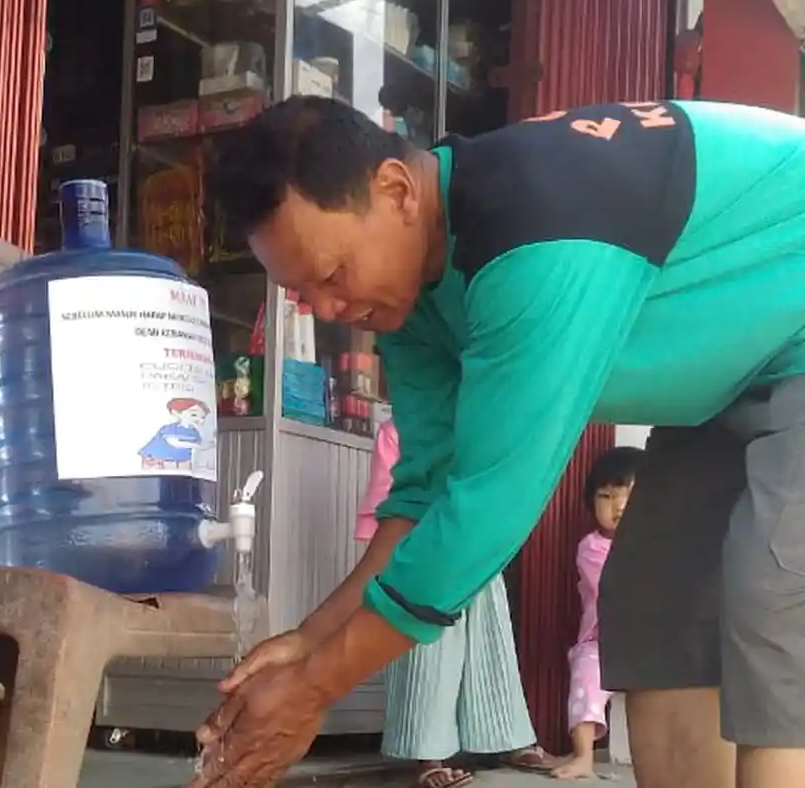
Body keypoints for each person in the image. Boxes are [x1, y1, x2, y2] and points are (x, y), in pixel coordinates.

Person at [187, 95, 805, 788]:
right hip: (734, 381)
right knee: (654, 610)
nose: (330, 309)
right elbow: (425, 494)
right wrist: (309, 642)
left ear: (395, 191)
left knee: (772, 597)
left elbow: (484, 514)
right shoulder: (409, 296)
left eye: (332, 276)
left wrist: (311, 690)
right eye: (303, 294)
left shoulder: (536, 226)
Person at [359, 419, 550, 788]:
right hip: (420, 543)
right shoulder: (397, 432)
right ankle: (427, 751)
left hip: (475, 537)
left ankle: (506, 737)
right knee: (427, 645)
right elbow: (387, 505)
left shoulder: (480, 423)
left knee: (491, 637)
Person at [553, 446, 645, 780]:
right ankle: (583, 756)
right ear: (591, 503)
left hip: (650, 641)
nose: (618, 506)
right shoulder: (591, 547)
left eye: (630, 496)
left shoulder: (660, 543)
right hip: (602, 641)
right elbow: (613, 588)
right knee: (586, 676)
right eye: (606, 497)